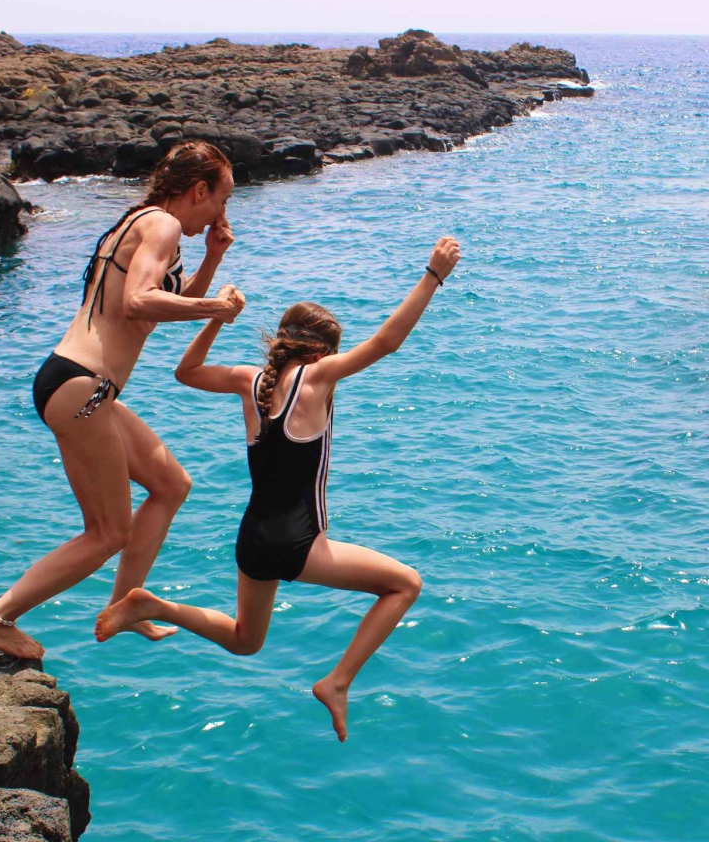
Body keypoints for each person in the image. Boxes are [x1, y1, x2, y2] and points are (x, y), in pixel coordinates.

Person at [94, 237, 463, 742]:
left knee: (247, 641)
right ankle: (337, 682)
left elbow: (185, 373)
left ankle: (153, 606)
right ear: (319, 351)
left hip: (252, 540)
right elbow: (385, 343)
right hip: (295, 543)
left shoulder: (251, 381)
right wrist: (433, 276)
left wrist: (217, 320)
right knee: (405, 584)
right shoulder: (316, 379)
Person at [0, 141, 247, 660]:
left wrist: (213, 256)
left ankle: (126, 606)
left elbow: (154, 309)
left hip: (80, 383)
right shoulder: (161, 225)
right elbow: (139, 300)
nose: (222, 212)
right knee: (106, 532)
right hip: (83, 386)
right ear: (199, 190)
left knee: (170, 484)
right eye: (222, 199)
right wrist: (218, 307)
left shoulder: (142, 223)